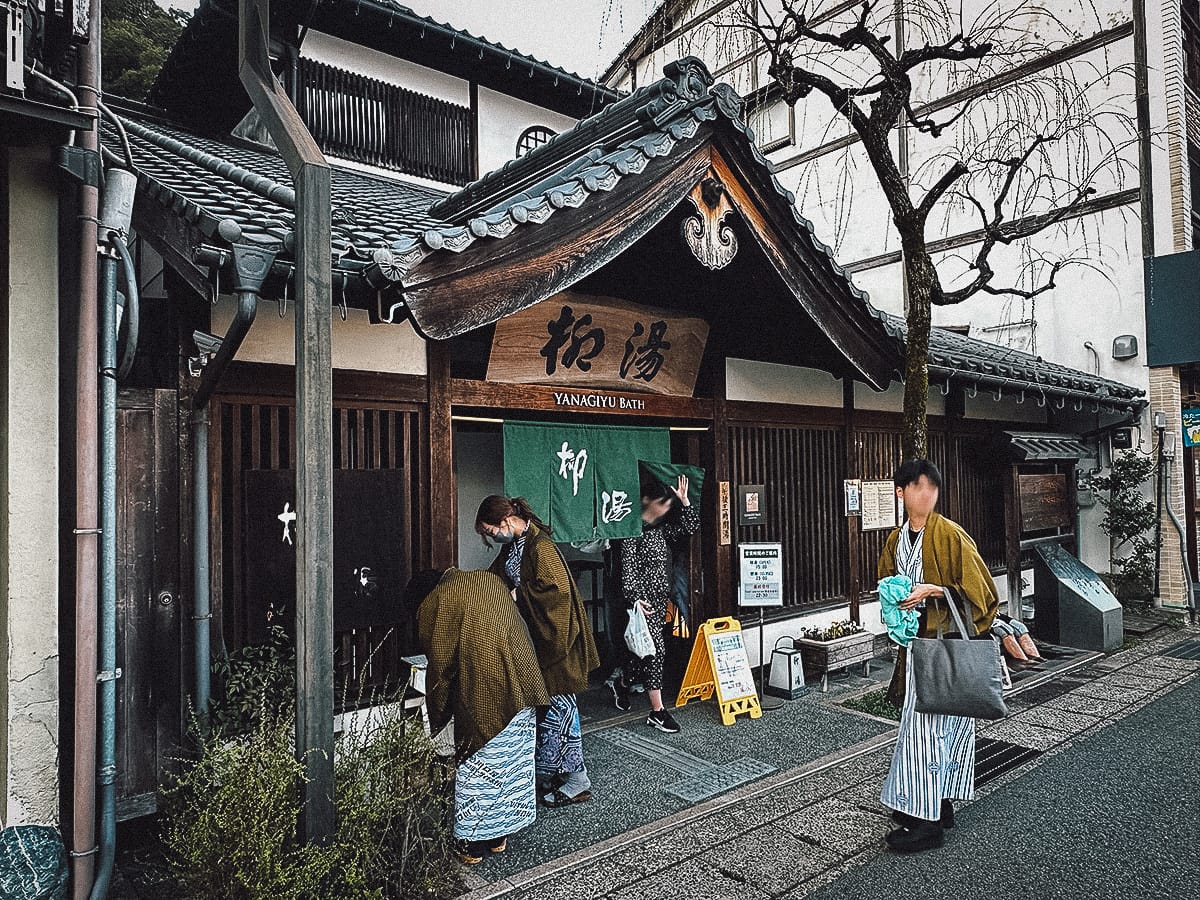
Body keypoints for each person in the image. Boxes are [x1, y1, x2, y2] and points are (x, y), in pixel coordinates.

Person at [878, 459, 999, 853]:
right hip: (918, 648)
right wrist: (898, 600)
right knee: (935, 730)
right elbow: (887, 583)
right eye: (918, 486)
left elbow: (982, 592)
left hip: (943, 649)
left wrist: (935, 591)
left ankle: (927, 823)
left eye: (932, 487)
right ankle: (939, 804)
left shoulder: (950, 534)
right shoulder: (896, 539)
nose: (926, 494)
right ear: (901, 492)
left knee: (927, 732)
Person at [409, 568, 550, 865]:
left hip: (487, 692)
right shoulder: (488, 580)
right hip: (525, 681)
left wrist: (437, 714)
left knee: (478, 767)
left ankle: (471, 844)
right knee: (512, 764)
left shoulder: (440, 598)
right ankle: (498, 837)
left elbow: (441, 664)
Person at [475, 496, 600, 808]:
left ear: (505, 521)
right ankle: (560, 772)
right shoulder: (517, 545)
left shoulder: (539, 546)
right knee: (553, 709)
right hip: (541, 639)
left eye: (491, 531)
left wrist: (519, 594)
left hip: (558, 640)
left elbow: (557, 593)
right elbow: (496, 578)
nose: (492, 537)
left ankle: (578, 780)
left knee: (562, 709)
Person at [611, 474, 698, 733]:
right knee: (655, 651)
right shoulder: (632, 531)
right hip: (642, 603)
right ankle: (657, 712)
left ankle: (622, 682)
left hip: (661, 600)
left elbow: (690, 527)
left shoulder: (661, 529)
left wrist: (684, 501)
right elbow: (628, 569)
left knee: (643, 652)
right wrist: (634, 598)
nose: (665, 508)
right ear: (647, 500)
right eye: (663, 503)